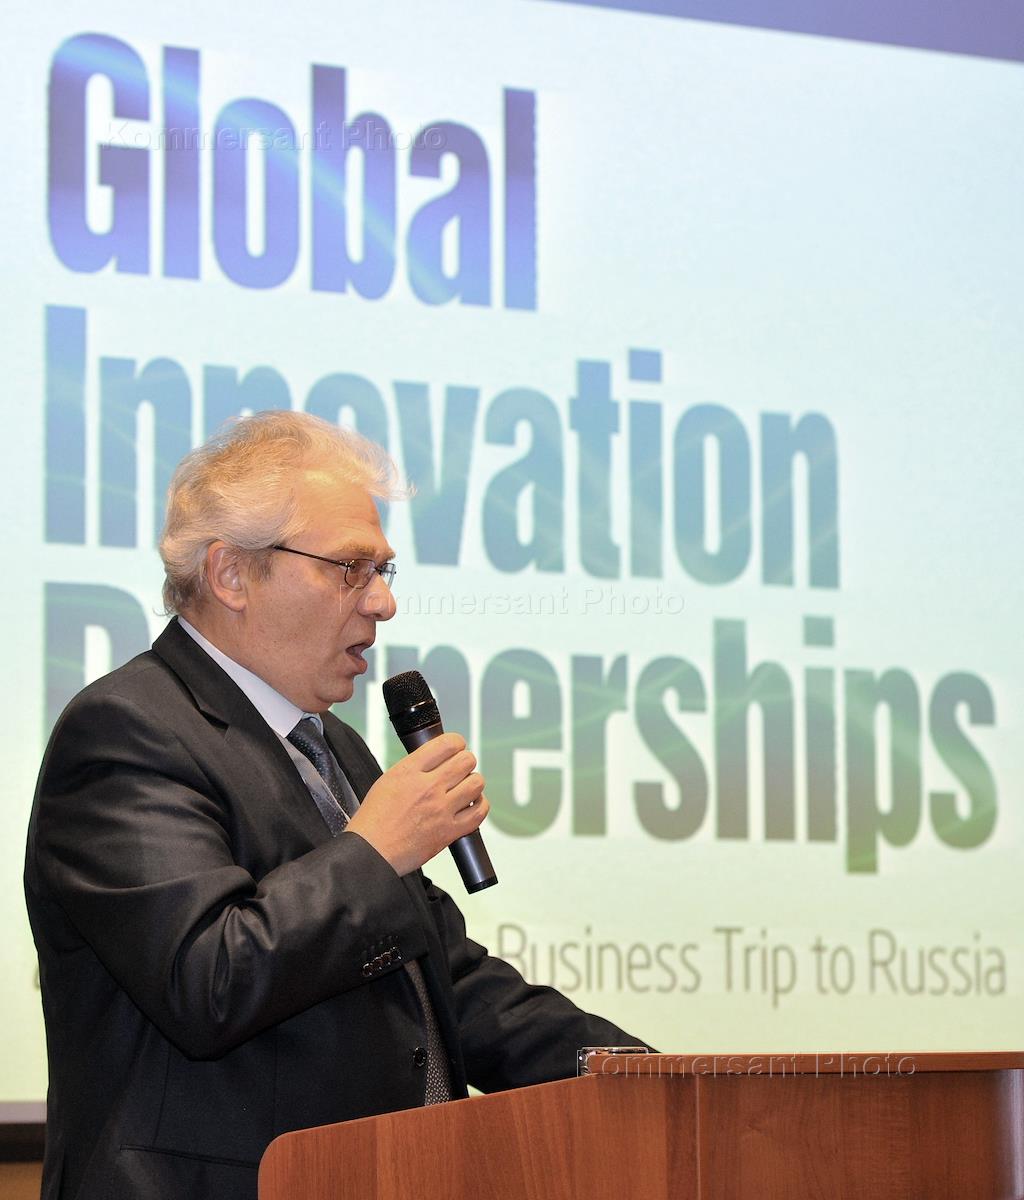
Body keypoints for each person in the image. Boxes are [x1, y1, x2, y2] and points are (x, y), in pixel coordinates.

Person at [25, 411, 646, 1200]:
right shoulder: (128, 730)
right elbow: (207, 979)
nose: (382, 602)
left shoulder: (334, 748)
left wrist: (645, 1077)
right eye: (351, 568)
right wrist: (375, 851)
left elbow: (445, 982)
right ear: (231, 574)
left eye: (385, 570)